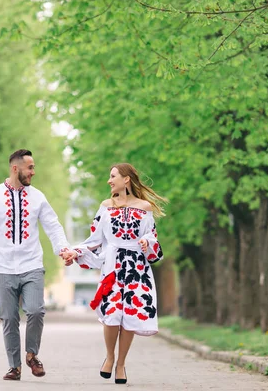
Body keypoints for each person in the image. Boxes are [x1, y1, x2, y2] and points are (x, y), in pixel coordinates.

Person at [0, 149, 70, 381]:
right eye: (29, 167)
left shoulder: (38, 197)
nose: (33, 172)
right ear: (15, 168)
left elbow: (53, 225)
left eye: (33, 167)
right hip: (2, 269)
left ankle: (32, 355)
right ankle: (14, 366)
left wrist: (62, 249)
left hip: (31, 265)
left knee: (36, 310)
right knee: (9, 318)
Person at [62, 163, 166, 385]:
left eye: (113, 176)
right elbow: (95, 240)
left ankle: (121, 364)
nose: (109, 181)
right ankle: (109, 356)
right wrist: (74, 251)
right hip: (112, 267)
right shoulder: (105, 207)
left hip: (137, 269)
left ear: (126, 179)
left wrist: (146, 241)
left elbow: (153, 238)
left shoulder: (145, 207)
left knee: (129, 316)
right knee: (111, 315)